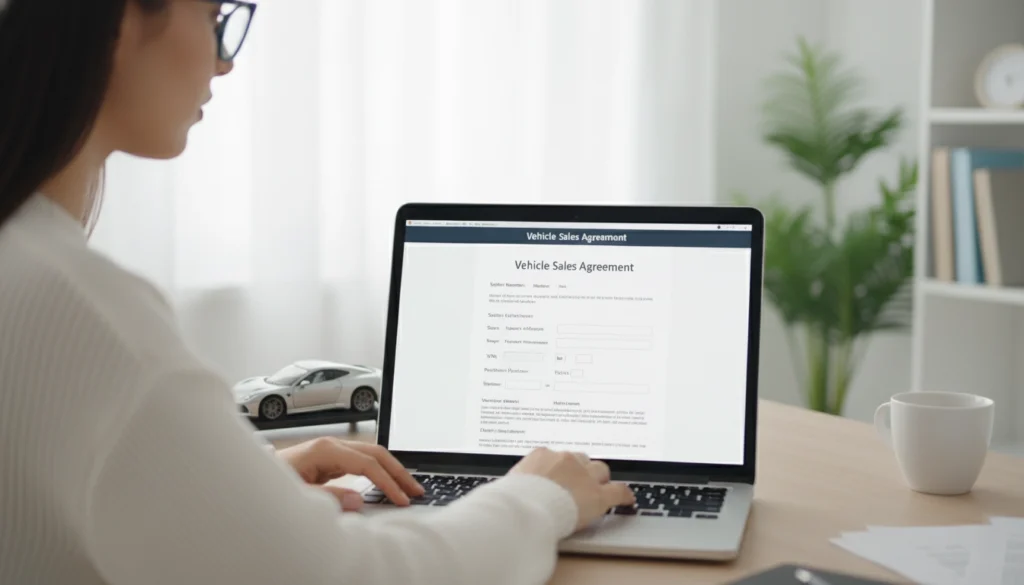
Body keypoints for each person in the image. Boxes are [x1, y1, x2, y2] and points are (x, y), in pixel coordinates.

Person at [0, 1, 636, 584]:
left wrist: (231, 491)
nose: (224, 61)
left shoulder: (26, 267)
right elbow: (362, 576)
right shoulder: (89, 317)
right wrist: (540, 497)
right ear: (121, 19)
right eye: (215, 17)